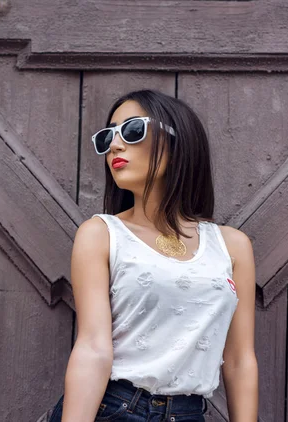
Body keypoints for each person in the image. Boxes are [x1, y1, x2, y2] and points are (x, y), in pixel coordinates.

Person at [43, 90, 258, 422]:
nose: (115, 145)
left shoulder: (233, 246)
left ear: (177, 142)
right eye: (107, 136)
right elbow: (93, 349)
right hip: (113, 409)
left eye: (132, 130)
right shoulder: (101, 234)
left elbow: (240, 360)